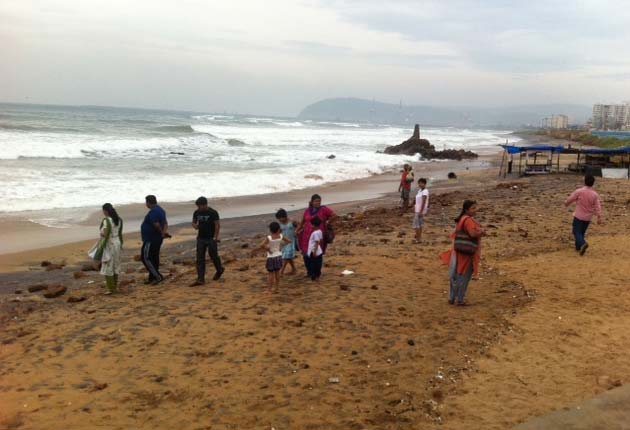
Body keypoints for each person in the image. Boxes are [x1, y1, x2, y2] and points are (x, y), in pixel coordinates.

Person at [440, 200, 485, 306]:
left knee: (456, 274)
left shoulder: (461, 219)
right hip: (467, 252)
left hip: (458, 250)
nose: (475, 210)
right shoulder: (468, 220)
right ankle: (460, 299)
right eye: (473, 208)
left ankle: (452, 298)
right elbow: (472, 233)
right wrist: (482, 231)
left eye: (475, 207)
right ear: (466, 210)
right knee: (464, 275)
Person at [297, 194, 336, 276]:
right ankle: (309, 272)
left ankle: (317, 273)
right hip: (306, 235)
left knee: (317, 254)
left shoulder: (324, 209)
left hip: (318, 235)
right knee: (306, 254)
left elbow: (334, 215)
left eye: (319, 201)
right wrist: (298, 229)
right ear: (312, 202)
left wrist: (327, 222)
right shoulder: (307, 210)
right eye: (316, 201)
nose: (318, 202)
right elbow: (303, 221)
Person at [564, 174, 603, 255]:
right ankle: (578, 248)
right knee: (581, 233)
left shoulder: (579, 191)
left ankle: (582, 244)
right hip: (588, 218)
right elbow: (598, 206)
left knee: (576, 232)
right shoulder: (594, 194)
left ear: (584, 182)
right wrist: (599, 217)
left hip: (578, 216)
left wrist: (566, 203)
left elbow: (571, 199)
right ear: (593, 183)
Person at [190, 196, 224, 286]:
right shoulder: (197, 212)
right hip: (201, 238)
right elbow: (193, 222)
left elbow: (217, 225)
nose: (198, 208)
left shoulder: (213, 212)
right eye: (197, 206)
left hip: (211, 238)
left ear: (205, 205)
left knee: (213, 255)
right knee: (200, 258)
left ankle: (220, 269)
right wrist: (194, 226)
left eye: (200, 206)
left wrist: (216, 237)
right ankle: (200, 279)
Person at [250, 222, 292, 293]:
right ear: (278, 229)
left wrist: (268, 249)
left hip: (271, 257)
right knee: (277, 273)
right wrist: (281, 247)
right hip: (278, 256)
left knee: (270, 274)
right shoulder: (281, 236)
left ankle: (269, 290)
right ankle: (277, 288)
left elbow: (261, 245)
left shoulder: (269, 238)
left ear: (270, 230)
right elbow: (289, 241)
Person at [140, 195, 169, 285]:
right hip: (156, 238)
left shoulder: (154, 212)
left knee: (145, 257)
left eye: (146, 202)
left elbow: (156, 224)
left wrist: (161, 233)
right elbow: (165, 223)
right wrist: (163, 233)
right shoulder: (161, 210)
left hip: (151, 239)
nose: (146, 204)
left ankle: (157, 276)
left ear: (148, 202)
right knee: (154, 257)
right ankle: (152, 277)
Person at [95, 203, 123, 294]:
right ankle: (114, 286)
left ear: (105, 211)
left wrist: (101, 234)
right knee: (115, 265)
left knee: (108, 266)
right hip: (117, 243)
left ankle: (111, 289)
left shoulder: (107, 220)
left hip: (109, 244)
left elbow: (105, 234)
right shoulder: (119, 219)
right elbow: (119, 232)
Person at [275, 208, 297, 275]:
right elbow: (279, 233)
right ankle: (294, 269)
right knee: (288, 256)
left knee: (286, 256)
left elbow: (299, 225)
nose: (280, 220)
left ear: (284, 216)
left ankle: (281, 271)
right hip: (284, 242)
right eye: (278, 219)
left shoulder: (292, 221)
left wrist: (297, 231)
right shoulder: (280, 224)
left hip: (291, 241)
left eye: (280, 218)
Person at [413, 178, 429, 243]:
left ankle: (418, 239)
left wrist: (421, 211)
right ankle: (419, 238)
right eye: (419, 183)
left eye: (421, 183)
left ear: (424, 184)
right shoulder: (420, 190)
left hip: (420, 210)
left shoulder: (425, 191)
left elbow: (424, 201)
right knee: (419, 224)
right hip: (418, 209)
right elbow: (417, 200)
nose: (420, 184)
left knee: (416, 225)